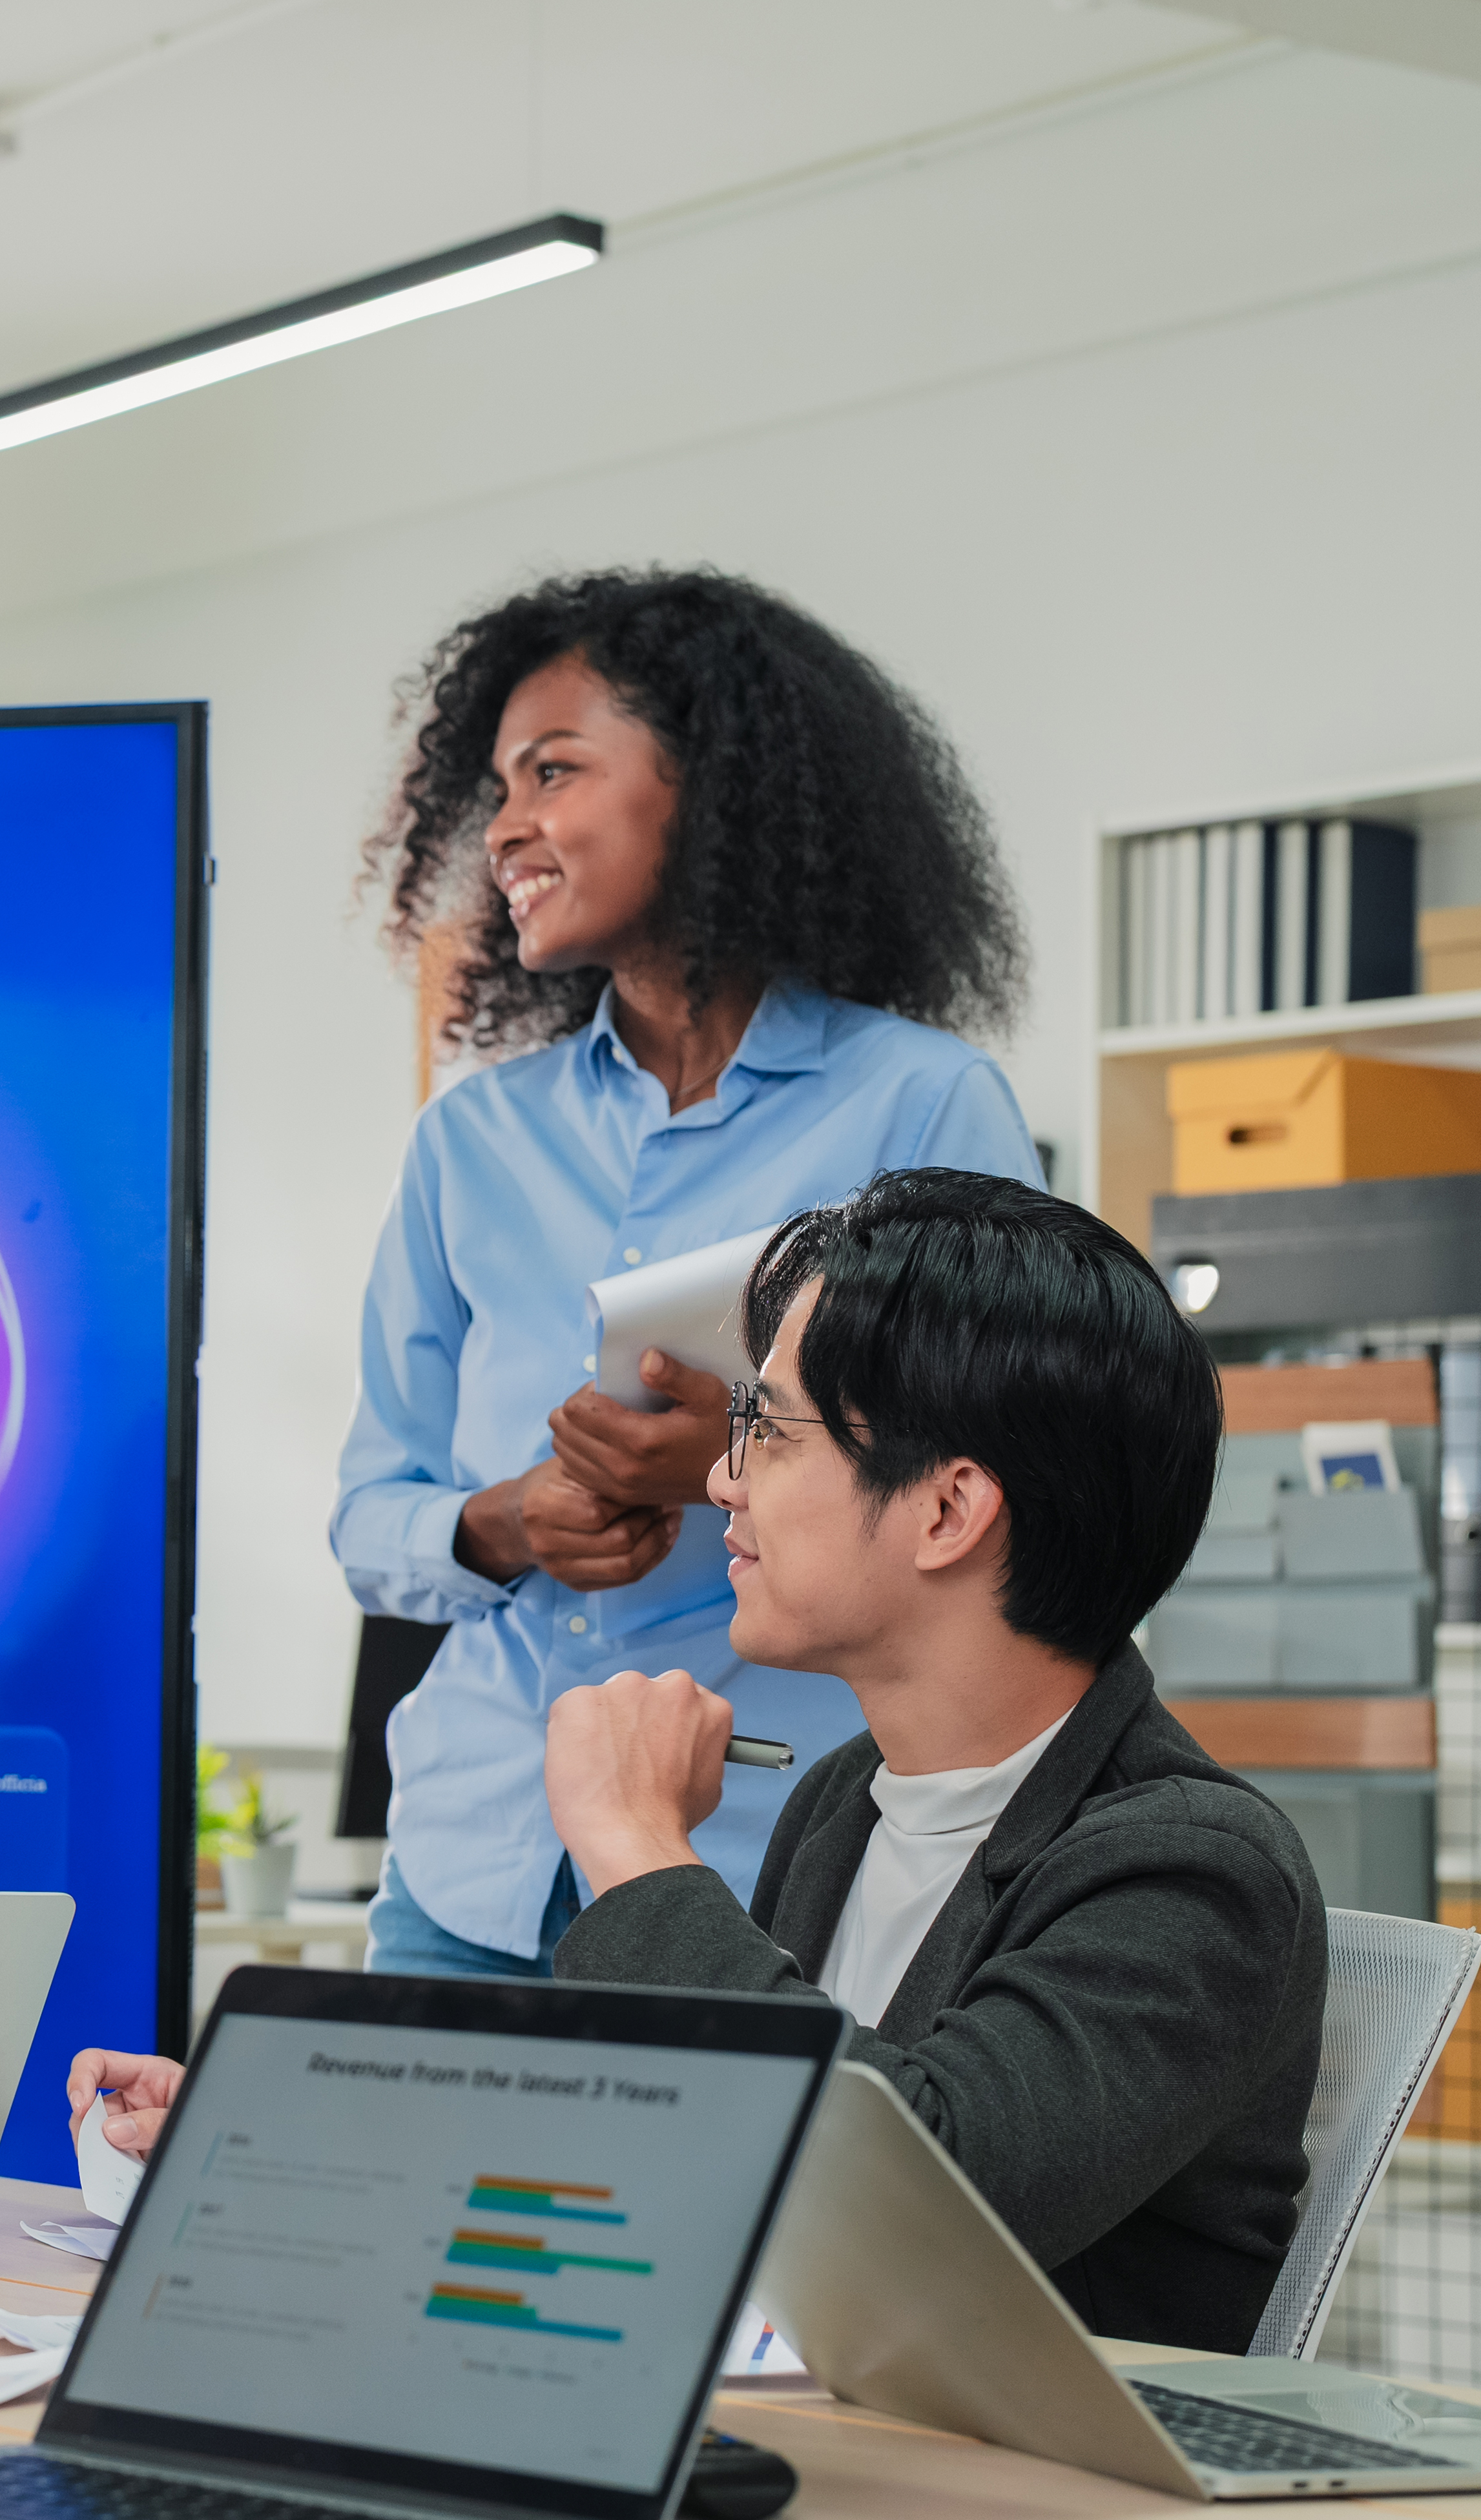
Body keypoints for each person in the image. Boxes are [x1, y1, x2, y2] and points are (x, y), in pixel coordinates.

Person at [83, 1171, 1325, 2353]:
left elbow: (920, 2208)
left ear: (947, 1511)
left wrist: (635, 1850)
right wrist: (269, 2141)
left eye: (768, 1432)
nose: (723, 1480)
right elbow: (677, 2168)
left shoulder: (1191, 1873)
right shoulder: (849, 1799)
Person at [333, 566, 1042, 1977]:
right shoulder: (470, 1142)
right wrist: (513, 1521)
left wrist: (724, 1462)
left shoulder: (919, 1107)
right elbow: (371, 1516)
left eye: (554, 772)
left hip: (762, 1871)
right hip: (471, 1865)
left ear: (706, 789)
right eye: (498, 787)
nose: (509, 827)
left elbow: (993, 1471)